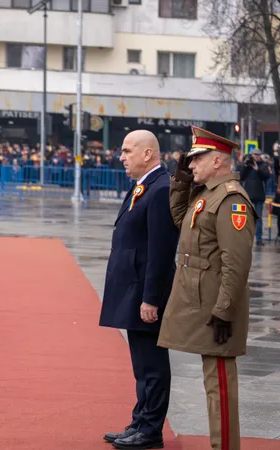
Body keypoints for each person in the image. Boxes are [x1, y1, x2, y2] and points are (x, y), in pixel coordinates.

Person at [158, 126, 255, 450]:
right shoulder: (206, 193)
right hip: (202, 300)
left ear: (217, 161)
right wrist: (182, 183)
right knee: (213, 382)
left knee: (220, 386)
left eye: (197, 158)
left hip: (216, 306)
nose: (190, 163)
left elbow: (236, 263)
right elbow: (179, 219)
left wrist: (225, 310)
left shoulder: (231, 199)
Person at [100, 130, 179, 450]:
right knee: (141, 363)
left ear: (148, 154)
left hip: (145, 292)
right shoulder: (144, 184)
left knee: (152, 363)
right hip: (133, 288)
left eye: (127, 151)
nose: (122, 156)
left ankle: (150, 429)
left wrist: (151, 298)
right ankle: (140, 420)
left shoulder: (160, 188)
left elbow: (161, 250)